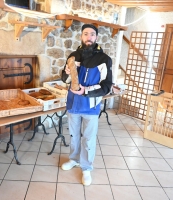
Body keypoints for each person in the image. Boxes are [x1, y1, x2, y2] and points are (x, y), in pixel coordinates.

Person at [61, 24, 113, 186]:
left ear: (96, 37)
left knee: (88, 138)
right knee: (74, 136)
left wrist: (85, 91)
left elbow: (106, 86)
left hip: (90, 106)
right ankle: (74, 159)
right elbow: (65, 79)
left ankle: (86, 167)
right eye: (85, 34)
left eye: (92, 34)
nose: (89, 37)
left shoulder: (104, 59)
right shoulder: (73, 56)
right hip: (73, 104)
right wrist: (67, 74)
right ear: (81, 37)